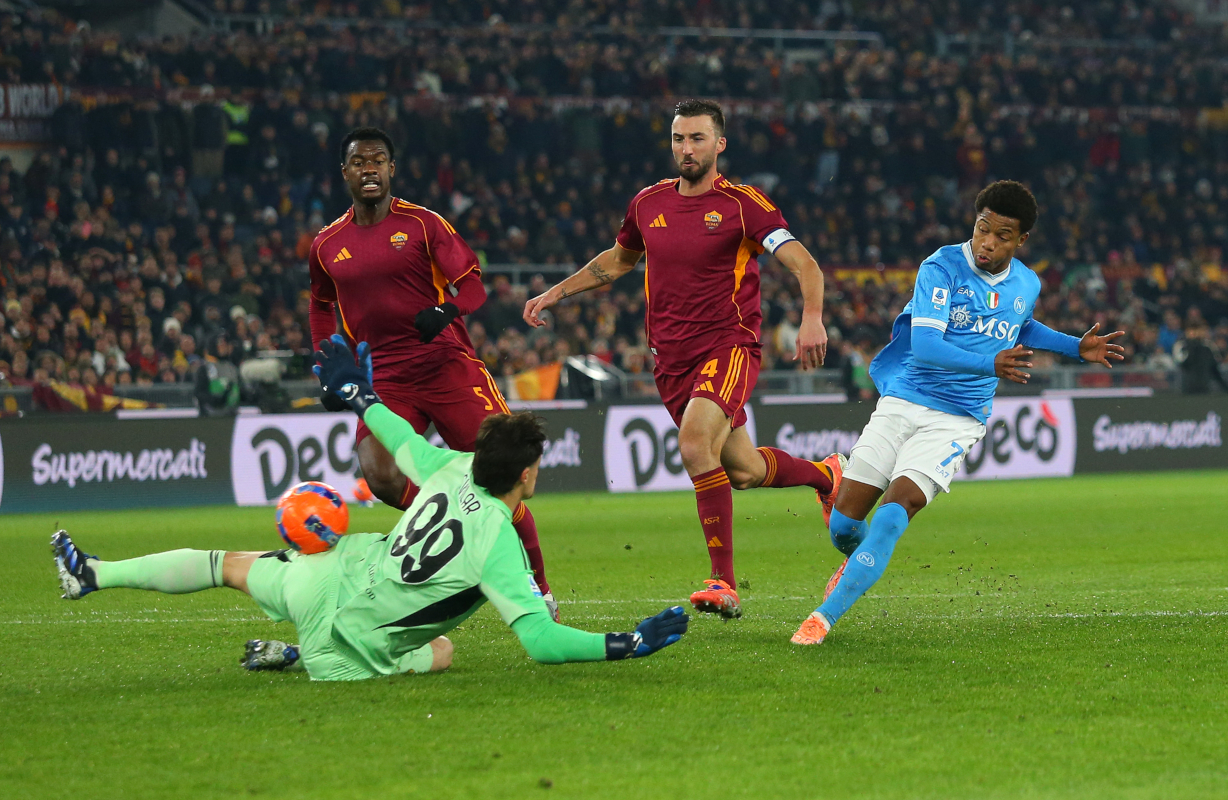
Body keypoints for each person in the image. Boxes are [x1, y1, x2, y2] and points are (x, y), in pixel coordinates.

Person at [51, 336, 688, 681]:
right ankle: (304, 656)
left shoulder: (450, 464)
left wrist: (360, 394)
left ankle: (93, 574)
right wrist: (626, 642)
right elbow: (542, 643)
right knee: (439, 652)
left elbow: (402, 437)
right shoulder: (500, 540)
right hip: (351, 645)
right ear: (527, 475)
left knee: (225, 562)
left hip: (325, 574)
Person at [523, 99, 838, 619]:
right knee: (741, 468)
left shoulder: (744, 205)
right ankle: (826, 477)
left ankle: (724, 581)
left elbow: (803, 262)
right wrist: (559, 292)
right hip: (669, 360)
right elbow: (618, 261)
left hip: (729, 344)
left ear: (720, 144)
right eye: (678, 139)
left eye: (696, 138)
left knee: (694, 446)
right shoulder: (647, 204)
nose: (686, 149)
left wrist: (811, 317)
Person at [792, 181, 1125, 645]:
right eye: (982, 229)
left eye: (1002, 236)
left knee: (894, 513)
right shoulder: (941, 266)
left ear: (1021, 240)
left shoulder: (1027, 282)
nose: (988, 242)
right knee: (845, 526)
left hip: (958, 418)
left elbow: (1020, 323)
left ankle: (821, 619)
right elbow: (927, 346)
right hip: (905, 400)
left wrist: (1074, 346)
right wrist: (991, 361)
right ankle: (850, 546)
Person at [308, 127, 555, 614]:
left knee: (501, 466)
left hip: (445, 364)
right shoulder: (325, 244)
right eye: (359, 162)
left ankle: (538, 588)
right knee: (379, 474)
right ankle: (461, 520)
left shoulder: (423, 225)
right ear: (345, 174)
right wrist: (328, 367)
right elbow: (320, 306)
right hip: (383, 378)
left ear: (392, 169)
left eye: (378, 160)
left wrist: (448, 312)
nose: (370, 169)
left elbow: (475, 286)